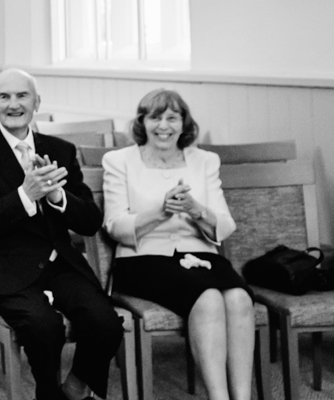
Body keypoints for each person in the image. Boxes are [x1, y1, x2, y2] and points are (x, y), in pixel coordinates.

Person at [0, 69, 123, 400]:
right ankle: (48, 393)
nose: (14, 104)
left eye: (22, 96)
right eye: (5, 97)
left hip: (58, 263)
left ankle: (74, 388)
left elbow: (89, 222)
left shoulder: (60, 149)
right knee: (45, 327)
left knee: (105, 323)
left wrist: (58, 197)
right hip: (2, 267)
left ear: (37, 102)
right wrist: (25, 196)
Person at [103, 89, 254, 400]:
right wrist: (161, 211)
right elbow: (115, 225)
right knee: (209, 297)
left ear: (184, 123)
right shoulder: (119, 160)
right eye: (155, 117)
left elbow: (225, 225)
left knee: (239, 298)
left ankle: (242, 397)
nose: (164, 126)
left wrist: (196, 209)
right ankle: (218, 397)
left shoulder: (205, 161)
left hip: (199, 253)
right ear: (141, 122)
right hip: (142, 257)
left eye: (173, 118)